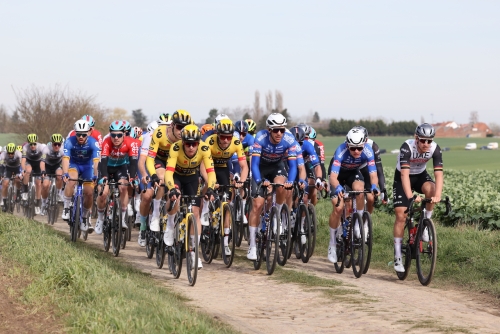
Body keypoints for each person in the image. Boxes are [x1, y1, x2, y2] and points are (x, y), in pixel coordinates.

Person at [163, 124, 216, 270]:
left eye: (194, 144)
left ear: (198, 143)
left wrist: (210, 188)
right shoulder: (175, 147)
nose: (191, 147)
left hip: (192, 178)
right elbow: (168, 172)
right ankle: (170, 224)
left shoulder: (204, 149)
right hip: (177, 176)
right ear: (183, 142)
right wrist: (172, 188)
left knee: (195, 212)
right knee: (175, 198)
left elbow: (211, 172)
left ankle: (194, 253)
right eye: (188, 144)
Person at [392, 123, 443, 273]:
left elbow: (438, 174)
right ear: (416, 138)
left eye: (429, 140)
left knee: (431, 189)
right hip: (403, 178)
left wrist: (437, 195)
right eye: (422, 140)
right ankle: (397, 256)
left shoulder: (435, 149)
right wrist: (410, 196)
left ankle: (426, 224)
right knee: (401, 215)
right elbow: (404, 175)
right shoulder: (406, 147)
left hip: (420, 175)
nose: (426, 144)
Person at [247, 113, 298, 260]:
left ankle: (278, 215)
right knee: (257, 205)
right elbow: (254, 165)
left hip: (277, 166)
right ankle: (252, 245)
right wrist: (260, 180)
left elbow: (293, 166)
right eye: (276, 130)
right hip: (260, 168)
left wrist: (291, 181)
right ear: (269, 129)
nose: (279, 133)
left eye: (282, 129)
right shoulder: (260, 138)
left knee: (282, 186)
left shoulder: (289, 139)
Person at [327, 127, 379, 263]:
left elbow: (373, 174)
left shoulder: (368, 150)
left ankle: (358, 223)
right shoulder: (341, 151)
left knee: (360, 190)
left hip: (352, 173)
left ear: (364, 145)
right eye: (353, 148)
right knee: (338, 208)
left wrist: (374, 186)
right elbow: (333, 177)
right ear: (347, 145)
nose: (356, 151)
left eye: (359, 148)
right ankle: (332, 243)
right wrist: (337, 187)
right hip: (337, 175)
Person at [201, 119, 248, 255]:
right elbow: (203, 165)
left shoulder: (236, 142)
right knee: (208, 184)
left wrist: (242, 181)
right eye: (223, 137)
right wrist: (209, 181)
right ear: (217, 134)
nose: (226, 140)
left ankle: (226, 242)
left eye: (229, 136)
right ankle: (205, 207)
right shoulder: (209, 141)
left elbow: (244, 166)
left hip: (222, 167)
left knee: (226, 204)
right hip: (208, 165)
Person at [146, 110, 192, 233]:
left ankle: (171, 214)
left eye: (185, 127)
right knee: (162, 178)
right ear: (172, 125)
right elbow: (150, 158)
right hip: (160, 159)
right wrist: (153, 175)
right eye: (179, 127)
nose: (182, 131)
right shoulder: (160, 133)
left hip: (176, 162)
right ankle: (155, 214)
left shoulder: (187, 136)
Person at [95, 121, 139, 234]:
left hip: (121, 167)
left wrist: (133, 178)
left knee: (124, 187)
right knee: (103, 193)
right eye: (113, 135)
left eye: (119, 135)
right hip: (107, 168)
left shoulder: (131, 143)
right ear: (110, 134)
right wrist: (104, 177)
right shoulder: (106, 142)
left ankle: (122, 218)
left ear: (124, 134)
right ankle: (100, 219)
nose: (116, 138)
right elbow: (103, 162)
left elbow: (134, 162)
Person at [62, 120, 100, 232]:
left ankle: (84, 217)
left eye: (84, 134)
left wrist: (96, 175)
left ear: (88, 133)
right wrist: (65, 173)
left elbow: (96, 162)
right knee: (71, 181)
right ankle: (66, 207)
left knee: (89, 193)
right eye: (78, 134)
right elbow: (65, 159)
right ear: (75, 133)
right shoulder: (69, 141)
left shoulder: (94, 143)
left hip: (88, 166)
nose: (81, 137)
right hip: (74, 164)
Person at [136, 120, 159, 246]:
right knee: (147, 196)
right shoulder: (147, 138)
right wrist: (144, 175)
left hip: (160, 167)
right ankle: (143, 228)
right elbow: (141, 161)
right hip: (146, 168)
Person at [21, 134, 46, 215]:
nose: (32, 146)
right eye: (31, 144)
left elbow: (44, 161)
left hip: (38, 163)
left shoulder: (41, 147)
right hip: (29, 162)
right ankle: (25, 190)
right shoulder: (25, 147)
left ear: (37, 142)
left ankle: (37, 204)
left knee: (38, 184)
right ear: (28, 143)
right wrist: (23, 169)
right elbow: (23, 160)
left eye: (34, 144)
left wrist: (43, 170)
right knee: (28, 171)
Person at [40, 134, 64, 215]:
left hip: (57, 166)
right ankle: (43, 203)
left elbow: (65, 162)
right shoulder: (46, 149)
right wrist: (43, 171)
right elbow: (42, 162)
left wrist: (65, 172)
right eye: (55, 144)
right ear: (52, 143)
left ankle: (59, 193)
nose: (57, 146)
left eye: (59, 144)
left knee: (60, 175)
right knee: (45, 185)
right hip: (47, 167)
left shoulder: (63, 150)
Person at [0, 143, 22, 212]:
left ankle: (18, 193)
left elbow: (22, 165)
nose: (10, 155)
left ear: (14, 152)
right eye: (9, 153)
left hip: (17, 168)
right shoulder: (3, 155)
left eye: (12, 153)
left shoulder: (18, 154)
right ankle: (4, 201)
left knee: (18, 180)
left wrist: (21, 174)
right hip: (8, 168)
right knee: (5, 183)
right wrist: (1, 175)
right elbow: (1, 166)